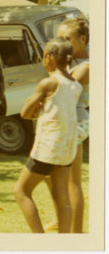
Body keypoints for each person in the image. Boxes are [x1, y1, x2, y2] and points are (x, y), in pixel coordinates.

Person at [14, 38, 82, 233]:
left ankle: (40, 241)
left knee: (21, 191)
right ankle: (64, 243)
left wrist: (32, 104)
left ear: (50, 57)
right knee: (62, 196)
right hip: (66, 148)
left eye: (43, 55)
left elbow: (25, 113)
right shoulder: (75, 85)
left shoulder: (48, 83)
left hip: (48, 148)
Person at [45, 17, 90, 233]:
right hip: (64, 122)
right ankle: (62, 215)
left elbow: (63, 87)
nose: (62, 43)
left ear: (82, 39)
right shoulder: (71, 62)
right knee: (47, 174)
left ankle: (77, 233)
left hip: (75, 122)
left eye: (67, 38)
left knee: (73, 182)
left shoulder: (85, 67)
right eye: (59, 38)